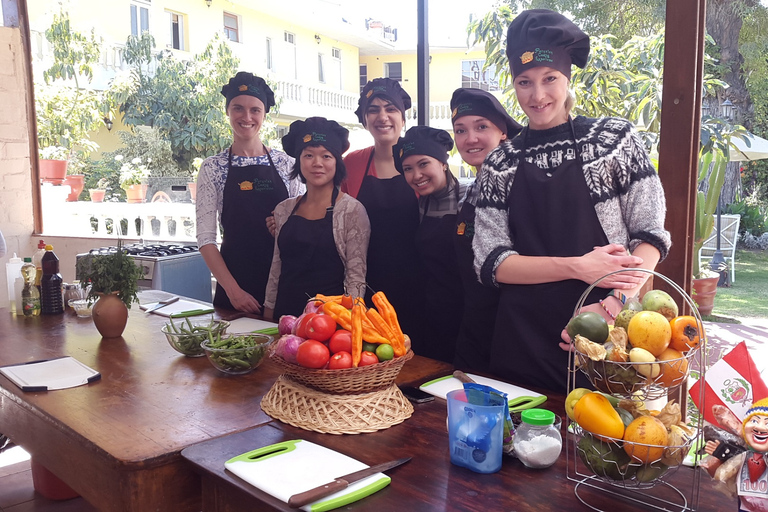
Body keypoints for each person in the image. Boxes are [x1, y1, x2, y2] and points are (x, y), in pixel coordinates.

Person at [472, 9, 671, 393]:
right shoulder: (501, 162)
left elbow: (649, 235)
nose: (538, 95)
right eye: (524, 82)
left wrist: (614, 305)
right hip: (521, 339)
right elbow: (492, 262)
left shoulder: (613, 141)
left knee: (602, 446)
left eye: (550, 79)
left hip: (602, 333)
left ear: (567, 77)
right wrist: (579, 267)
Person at [196, 72, 304, 314]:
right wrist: (234, 292)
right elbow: (205, 238)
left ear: (264, 115)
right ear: (227, 112)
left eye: (255, 110)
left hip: (285, 284)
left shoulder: (288, 165)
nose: (246, 117)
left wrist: (287, 225)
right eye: (238, 108)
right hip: (235, 286)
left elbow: (304, 224)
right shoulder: (213, 168)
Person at [343, 78, 425, 344]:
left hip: (420, 285)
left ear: (402, 116)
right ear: (364, 119)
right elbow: (332, 212)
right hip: (367, 286)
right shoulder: (352, 164)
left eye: (390, 108)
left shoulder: (420, 161)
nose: (382, 116)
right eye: (373, 109)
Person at [263, 117, 370, 320]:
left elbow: (356, 276)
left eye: (326, 156)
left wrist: (350, 324)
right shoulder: (284, 210)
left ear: (337, 162)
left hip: (329, 321)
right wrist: (267, 313)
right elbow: (276, 268)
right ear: (299, 161)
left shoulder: (352, 210)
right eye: (309, 155)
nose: (317, 163)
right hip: (285, 316)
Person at [450, 88, 522, 373]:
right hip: (473, 327)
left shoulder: (522, 185)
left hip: (514, 332)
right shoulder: (467, 193)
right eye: (461, 130)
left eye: (482, 126)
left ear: (502, 131)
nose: (470, 138)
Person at [393, 126, 467, 363]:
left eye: (424, 164)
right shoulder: (417, 206)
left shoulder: (470, 197)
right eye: (408, 169)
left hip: (467, 313)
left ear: (443, 163)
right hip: (431, 311)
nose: (416, 175)